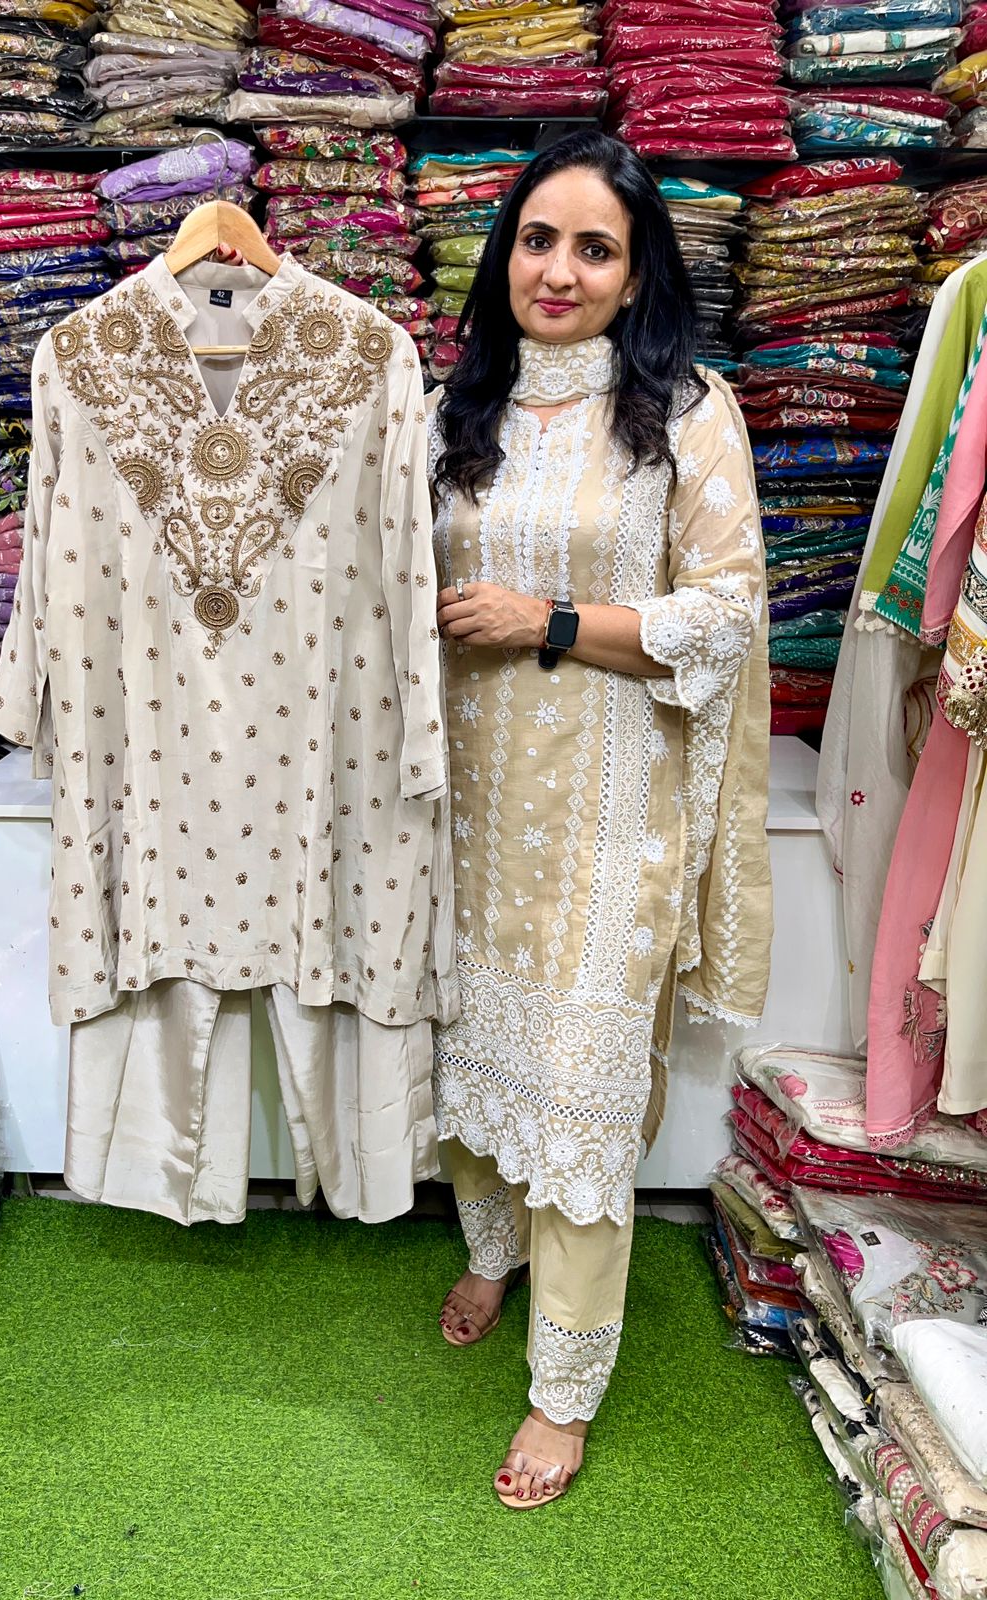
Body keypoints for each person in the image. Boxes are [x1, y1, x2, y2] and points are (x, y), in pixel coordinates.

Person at [429, 130, 771, 1510]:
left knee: (576, 1085)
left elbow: (729, 613)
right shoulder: (453, 412)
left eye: (594, 248)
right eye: (536, 239)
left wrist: (551, 621)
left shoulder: (685, 414)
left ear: (638, 277)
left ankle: (562, 1392)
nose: (558, 271)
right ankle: (489, 1251)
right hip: (467, 812)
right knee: (472, 1049)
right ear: (503, 254)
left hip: (611, 814)